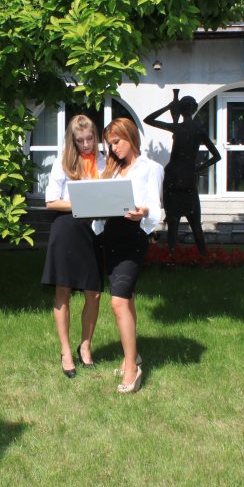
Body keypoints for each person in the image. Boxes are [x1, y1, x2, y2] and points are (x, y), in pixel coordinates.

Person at [97, 118, 163, 393]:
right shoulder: (111, 170)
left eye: (117, 142)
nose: (113, 148)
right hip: (110, 238)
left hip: (133, 238)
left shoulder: (151, 168)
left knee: (118, 302)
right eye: (110, 144)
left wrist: (143, 212)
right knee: (128, 300)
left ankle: (132, 371)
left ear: (131, 137)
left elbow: (156, 209)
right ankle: (131, 357)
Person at [41, 114, 106, 379]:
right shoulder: (63, 162)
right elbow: (50, 201)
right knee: (64, 290)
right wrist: (81, 203)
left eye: (90, 138)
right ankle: (66, 351)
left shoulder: (104, 161)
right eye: (80, 140)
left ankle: (85, 346)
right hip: (67, 229)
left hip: (95, 230)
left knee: (94, 293)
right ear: (73, 140)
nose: (86, 144)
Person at [144, 95, 221, 256]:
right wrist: (198, 168)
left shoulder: (177, 128)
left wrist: (168, 107)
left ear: (181, 109)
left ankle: (172, 258)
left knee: (173, 223)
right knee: (195, 224)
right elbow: (216, 156)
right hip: (187, 177)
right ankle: (203, 256)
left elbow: (148, 120)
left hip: (173, 177)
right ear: (193, 109)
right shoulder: (197, 130)